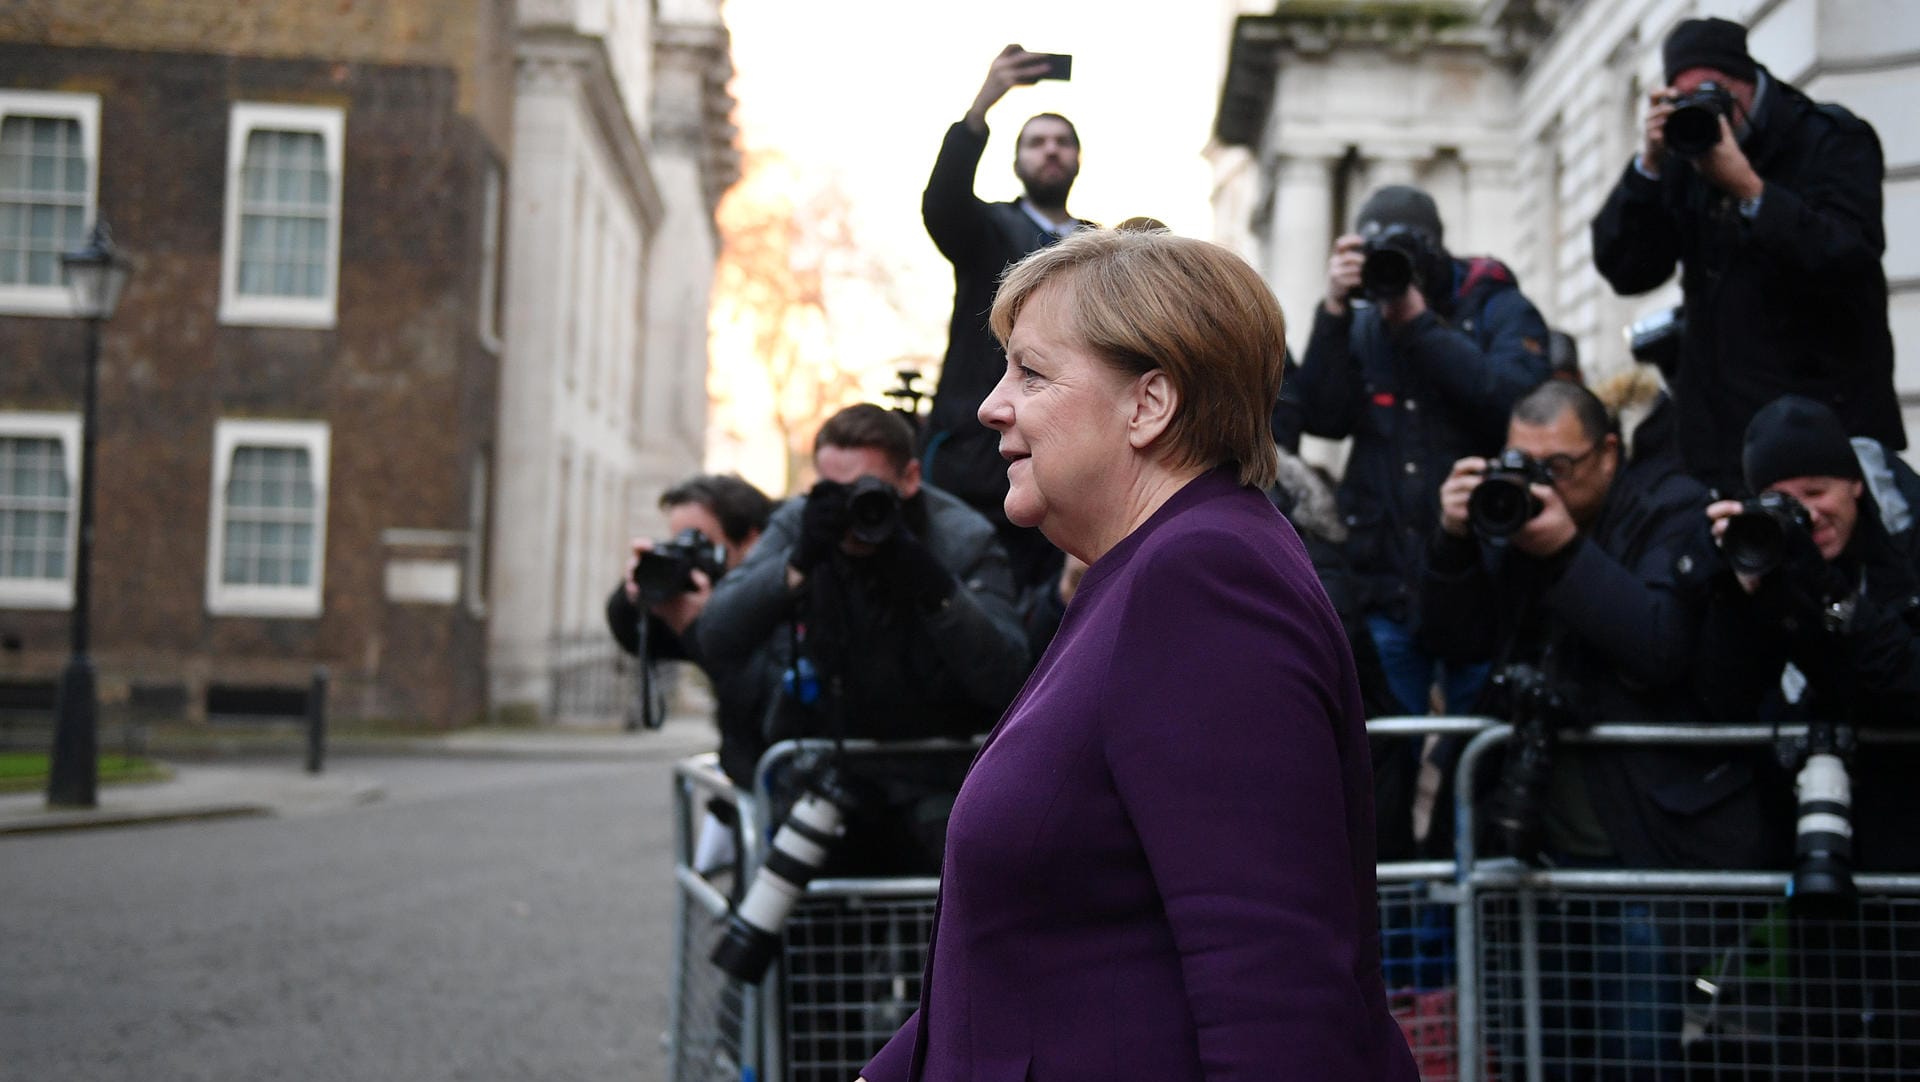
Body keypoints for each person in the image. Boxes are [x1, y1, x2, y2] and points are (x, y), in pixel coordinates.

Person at [861, 226, 1417, 1082]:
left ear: (1149, 404)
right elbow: (1024, 955)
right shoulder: (1143, 569)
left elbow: (1274, 993)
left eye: (1032, 373)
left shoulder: (1204, 578)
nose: (989, 405)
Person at [1420, 381, 1755, 1079]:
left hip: (1632, 855)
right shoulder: (1507, 514)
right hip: (1525, 845)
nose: (1540, 484)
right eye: (1521, 462)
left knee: (1632, 1060)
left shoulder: (1669, 508)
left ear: (1608, 453)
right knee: (1533, 1058)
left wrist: (1566, 552)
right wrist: (1454, 541)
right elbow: (1455, 638)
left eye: (1558, 468)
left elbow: (1658, 646)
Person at [695, 403, 1029, 870]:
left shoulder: (960, 538)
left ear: (910, 479)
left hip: (936, 776)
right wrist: (796, 565)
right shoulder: (802, 524)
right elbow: (715, 634)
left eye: (866, 493)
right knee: (810, 928)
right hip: (824, 768)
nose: (850, 511)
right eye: (833, 491)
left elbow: (1006, 673)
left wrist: (931, 584)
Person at [1694, 395, 1920, 1074]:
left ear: (1854, 481)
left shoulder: (1904, 553)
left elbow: (1905, 683)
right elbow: (1719, 692)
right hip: (1801, 844)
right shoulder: (1765, 564)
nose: (1806, 513)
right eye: (1782, 498)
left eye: (1818, 491)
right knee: (1815, 1033)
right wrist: (1739, 590)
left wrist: (1828, 596)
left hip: (1905, 838)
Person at [1591, 16, 1901, 492]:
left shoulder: (1829, 140)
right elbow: (1626, 268)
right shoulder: (1685, 156)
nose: (1700, 110)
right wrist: (1649, 166)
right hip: (1719, 442)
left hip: (1823, 436)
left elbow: (1847, 257)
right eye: (1681, 96)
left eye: (1710, 92)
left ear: (1745, 82)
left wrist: (1751, 191)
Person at [1280, 183, 1551, 721]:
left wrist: (1417, 324)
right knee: (1387, 758)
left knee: (1475, 753)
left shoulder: (1497, 307)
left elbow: (1515, 405)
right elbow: (1326, 420)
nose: (1390, 268)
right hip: (1386, 583)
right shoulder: (1361, 323)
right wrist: (1333, 310)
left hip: (1484, 575)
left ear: (1436, 249)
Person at [920, 44, 1093, 588]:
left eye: (1062, 142)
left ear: (1078, 159)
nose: (1050, 152)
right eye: (1037, 142)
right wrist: (982, 107)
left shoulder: (1102, 249)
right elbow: (942, 202)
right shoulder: (987, 230)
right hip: (976, 463)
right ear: (1016, 160)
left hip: (1064, 468)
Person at [604, 473, 774, 786]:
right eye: (678, 544)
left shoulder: (780, 597)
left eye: (700, 544)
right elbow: (633, 636)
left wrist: (704, 626)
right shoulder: (700, 597)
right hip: (741, 780)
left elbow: (755, 695)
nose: (691, 559)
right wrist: (636, 594)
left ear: (752, 540)